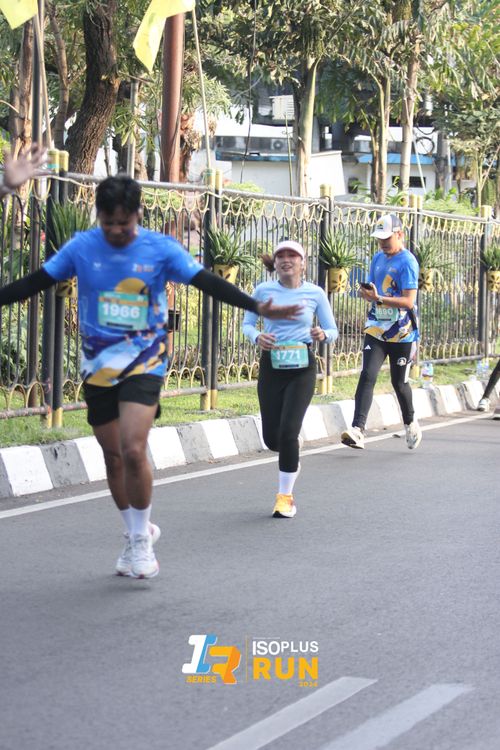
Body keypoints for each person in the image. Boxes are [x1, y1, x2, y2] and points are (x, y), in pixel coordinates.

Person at [0, 175, 302, 578]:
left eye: (123, 223)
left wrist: (256, 307)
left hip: (145, 362)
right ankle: (133, 532)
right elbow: (34, 282)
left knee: (132, 447)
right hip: (98, 367)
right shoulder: (82, 246)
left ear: (138, 215)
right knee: (112, 456)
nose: (116, 230)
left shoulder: (160, 249)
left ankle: (142, 539)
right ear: (98, 216)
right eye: (108, 222)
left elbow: (208, 282)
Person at [242, 240, 338, 518]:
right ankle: (291, 452)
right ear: (275, 263)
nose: (286, 260)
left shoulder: (315, 293)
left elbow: (332, 330)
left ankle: (285, 498)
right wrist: (257, 337)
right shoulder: (263, 291)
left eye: (292, 256)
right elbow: (247, 324)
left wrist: (323, 334)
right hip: (272, 366)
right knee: (273, 439)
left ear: (302, 263)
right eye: (281, 256)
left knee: (288, 433)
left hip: (302, 368)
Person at [341, 213, 422, 451]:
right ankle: (357, 430)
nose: (383, 243)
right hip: (376, 328)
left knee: (399, 383)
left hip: (402, 332)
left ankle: (410, 422)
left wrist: (379, 298)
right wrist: (367, 294)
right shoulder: (377, 258)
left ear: (399, 234)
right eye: (379, 239)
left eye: (387, 238)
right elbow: (374, 290)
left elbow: (408, 301)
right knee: (367, 375)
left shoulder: (408, 262)